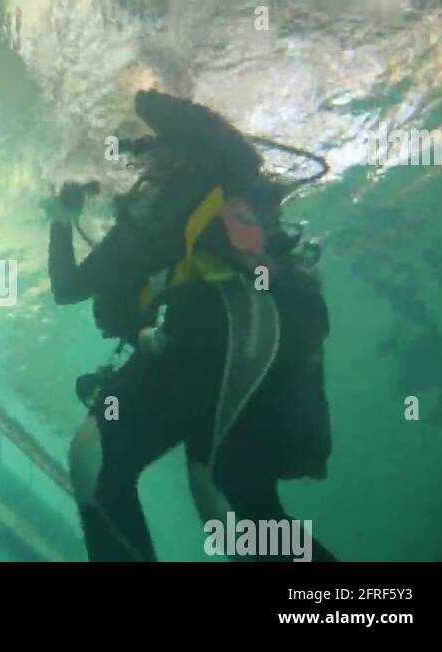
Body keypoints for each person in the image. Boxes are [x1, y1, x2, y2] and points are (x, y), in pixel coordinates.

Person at [48, 89, 335, 562]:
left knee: (224, 502)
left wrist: (135, 94)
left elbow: (219, 141)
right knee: (108, 467)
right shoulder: (142, 221)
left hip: (247, 327)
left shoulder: (218, 168)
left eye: (148, 145)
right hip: (185, 348)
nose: (143, 160)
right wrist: (62, 219)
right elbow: (70, 287)